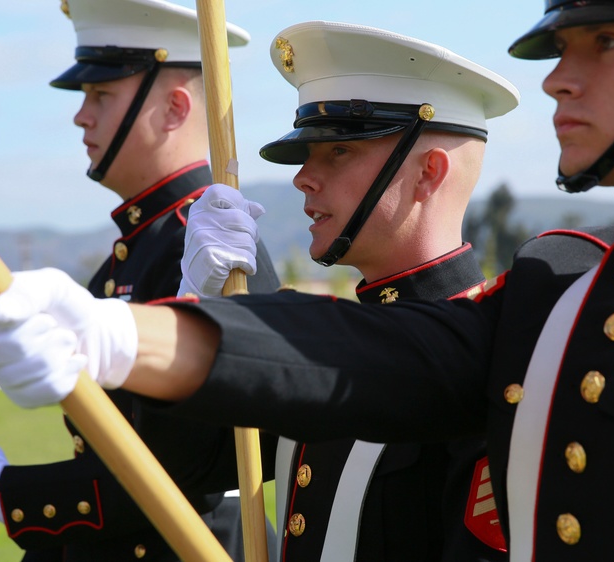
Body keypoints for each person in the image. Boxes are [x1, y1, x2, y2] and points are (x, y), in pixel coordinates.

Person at [0, 0, 614, 560]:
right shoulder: (557, 290)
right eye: (564, 46)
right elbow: (373, 359)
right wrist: (124, 332)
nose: (558, 78)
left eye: (606, 42)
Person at [0, 1, 279, 561]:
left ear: (173, 109)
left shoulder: (215, 250)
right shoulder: (124, 259)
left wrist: (9, 496)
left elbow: (179, 470)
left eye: (101, 95)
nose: (80, 116)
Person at [180, 21, 518, 561]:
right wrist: (198, 299)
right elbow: (186, 467)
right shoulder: (324, 344)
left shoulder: (495, 360)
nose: (302, 178)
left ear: (429, 172)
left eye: (337, 152)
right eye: (308, 154)